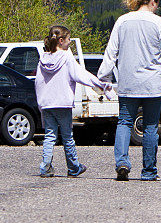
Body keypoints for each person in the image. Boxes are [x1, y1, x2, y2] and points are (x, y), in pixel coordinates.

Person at [98, 0, 161, 181]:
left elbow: (111, 53)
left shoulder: (122, 21)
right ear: (153, 1)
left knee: (125, 122)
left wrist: (104, 78)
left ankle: (122, 163)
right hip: (153, 84)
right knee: (151, 126)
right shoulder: (160, 23)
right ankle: (149, 171)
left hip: (128, 83)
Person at [35, 25, 112, 178]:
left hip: (47, 103)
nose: (70, 42)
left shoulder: (42, 59)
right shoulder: (66, 58)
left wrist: (41, 102)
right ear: (61, 41)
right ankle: (73, 166)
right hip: (62, 103)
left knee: (50, 135)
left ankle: (45, 167)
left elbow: (38, 83)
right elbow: (81, 75)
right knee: (67, 136)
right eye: (69, 39)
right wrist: (100, 84)